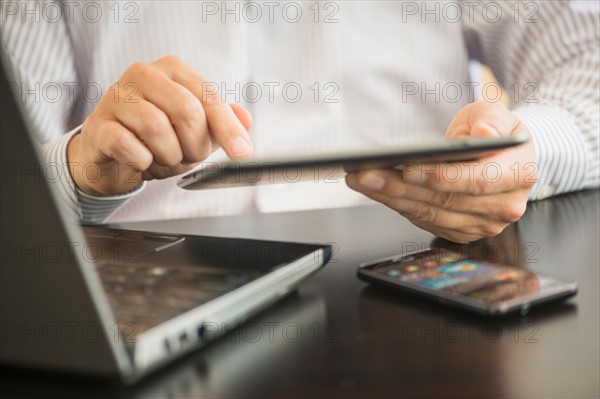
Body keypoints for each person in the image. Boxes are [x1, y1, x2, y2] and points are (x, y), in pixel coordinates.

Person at [2, 0, 598, 243]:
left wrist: (524, 150)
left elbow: (586, 64)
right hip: (143, 292)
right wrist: (79, 169)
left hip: (418, 278)